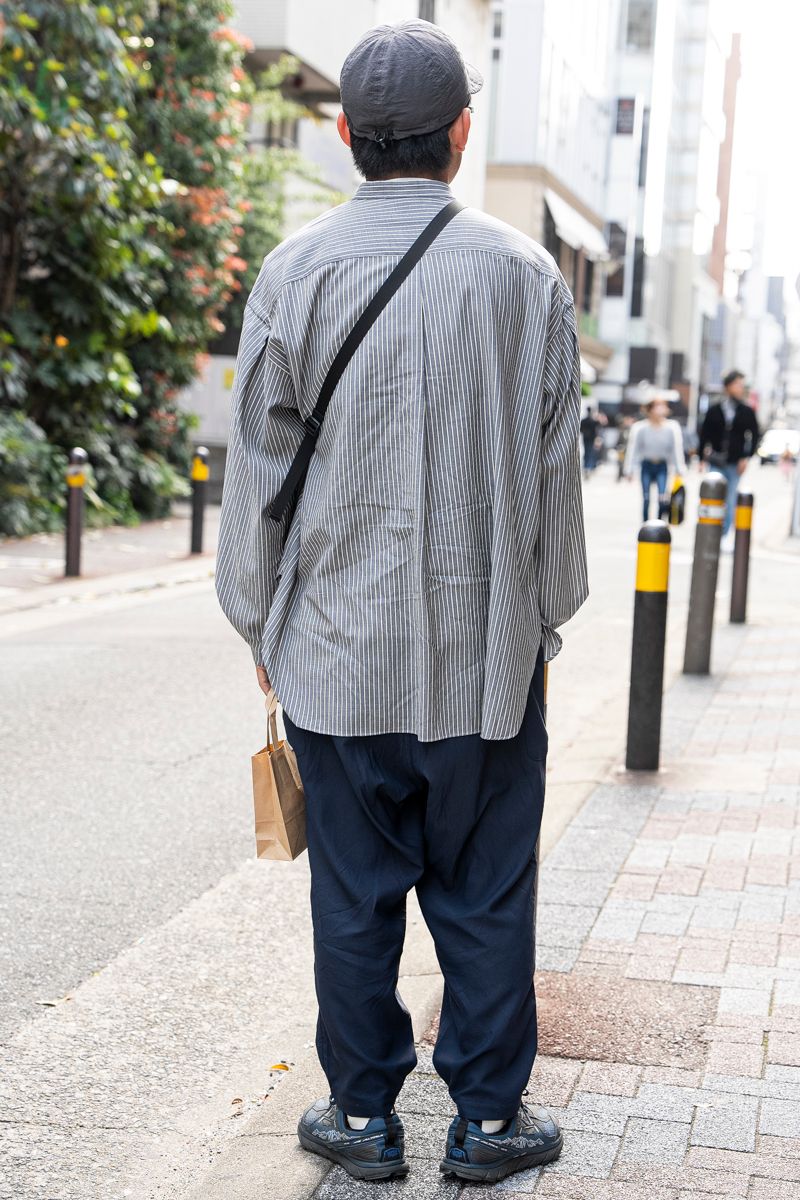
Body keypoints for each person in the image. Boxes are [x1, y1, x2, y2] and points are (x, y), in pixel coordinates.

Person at [216, 17, 587, 1187]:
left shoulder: (293, 272)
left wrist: (258, 624)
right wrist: (543, 623)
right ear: (459, 136)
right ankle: (485, 1124)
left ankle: (362, 1119)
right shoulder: (527, 279)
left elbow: (256, 479)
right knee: (485, 895)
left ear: (344, 135)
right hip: (484, 662)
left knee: (354, 896)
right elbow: (554, 495)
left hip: (334, 651)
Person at [698, 369, 760, 545]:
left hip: (735, 462)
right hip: (716, 460)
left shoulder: (747, 411)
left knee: (731, 499)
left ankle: (724, 535)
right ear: (728, 386)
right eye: (738, 384)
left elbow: (755, 435)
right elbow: (705, 435)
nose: (741, 388)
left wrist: (746, 457)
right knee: (713, 497)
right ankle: (711, 533)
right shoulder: (715, 409)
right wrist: (702, 457)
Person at [624, 396, 686, 522]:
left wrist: (680, 468)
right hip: (646, 465)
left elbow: (676, 450)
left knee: (662, 498)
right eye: (657, 406)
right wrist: (629, 470)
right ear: (650, 409)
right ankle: (646, 525)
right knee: (646, 499)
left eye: (663, 406)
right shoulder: (640, 428)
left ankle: (659, 524)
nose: (661, 409)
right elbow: (633, 450)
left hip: (662, 466)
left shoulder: (672, 427)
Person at [580, 407, 600, 478]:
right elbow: (597, 430)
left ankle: (586, 467)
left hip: (586, 438)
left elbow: (580, 430)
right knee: (590, 453)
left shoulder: (584, 420)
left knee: (586, 453)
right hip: (591, 439)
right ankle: (588, 467)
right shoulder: (593, 421)